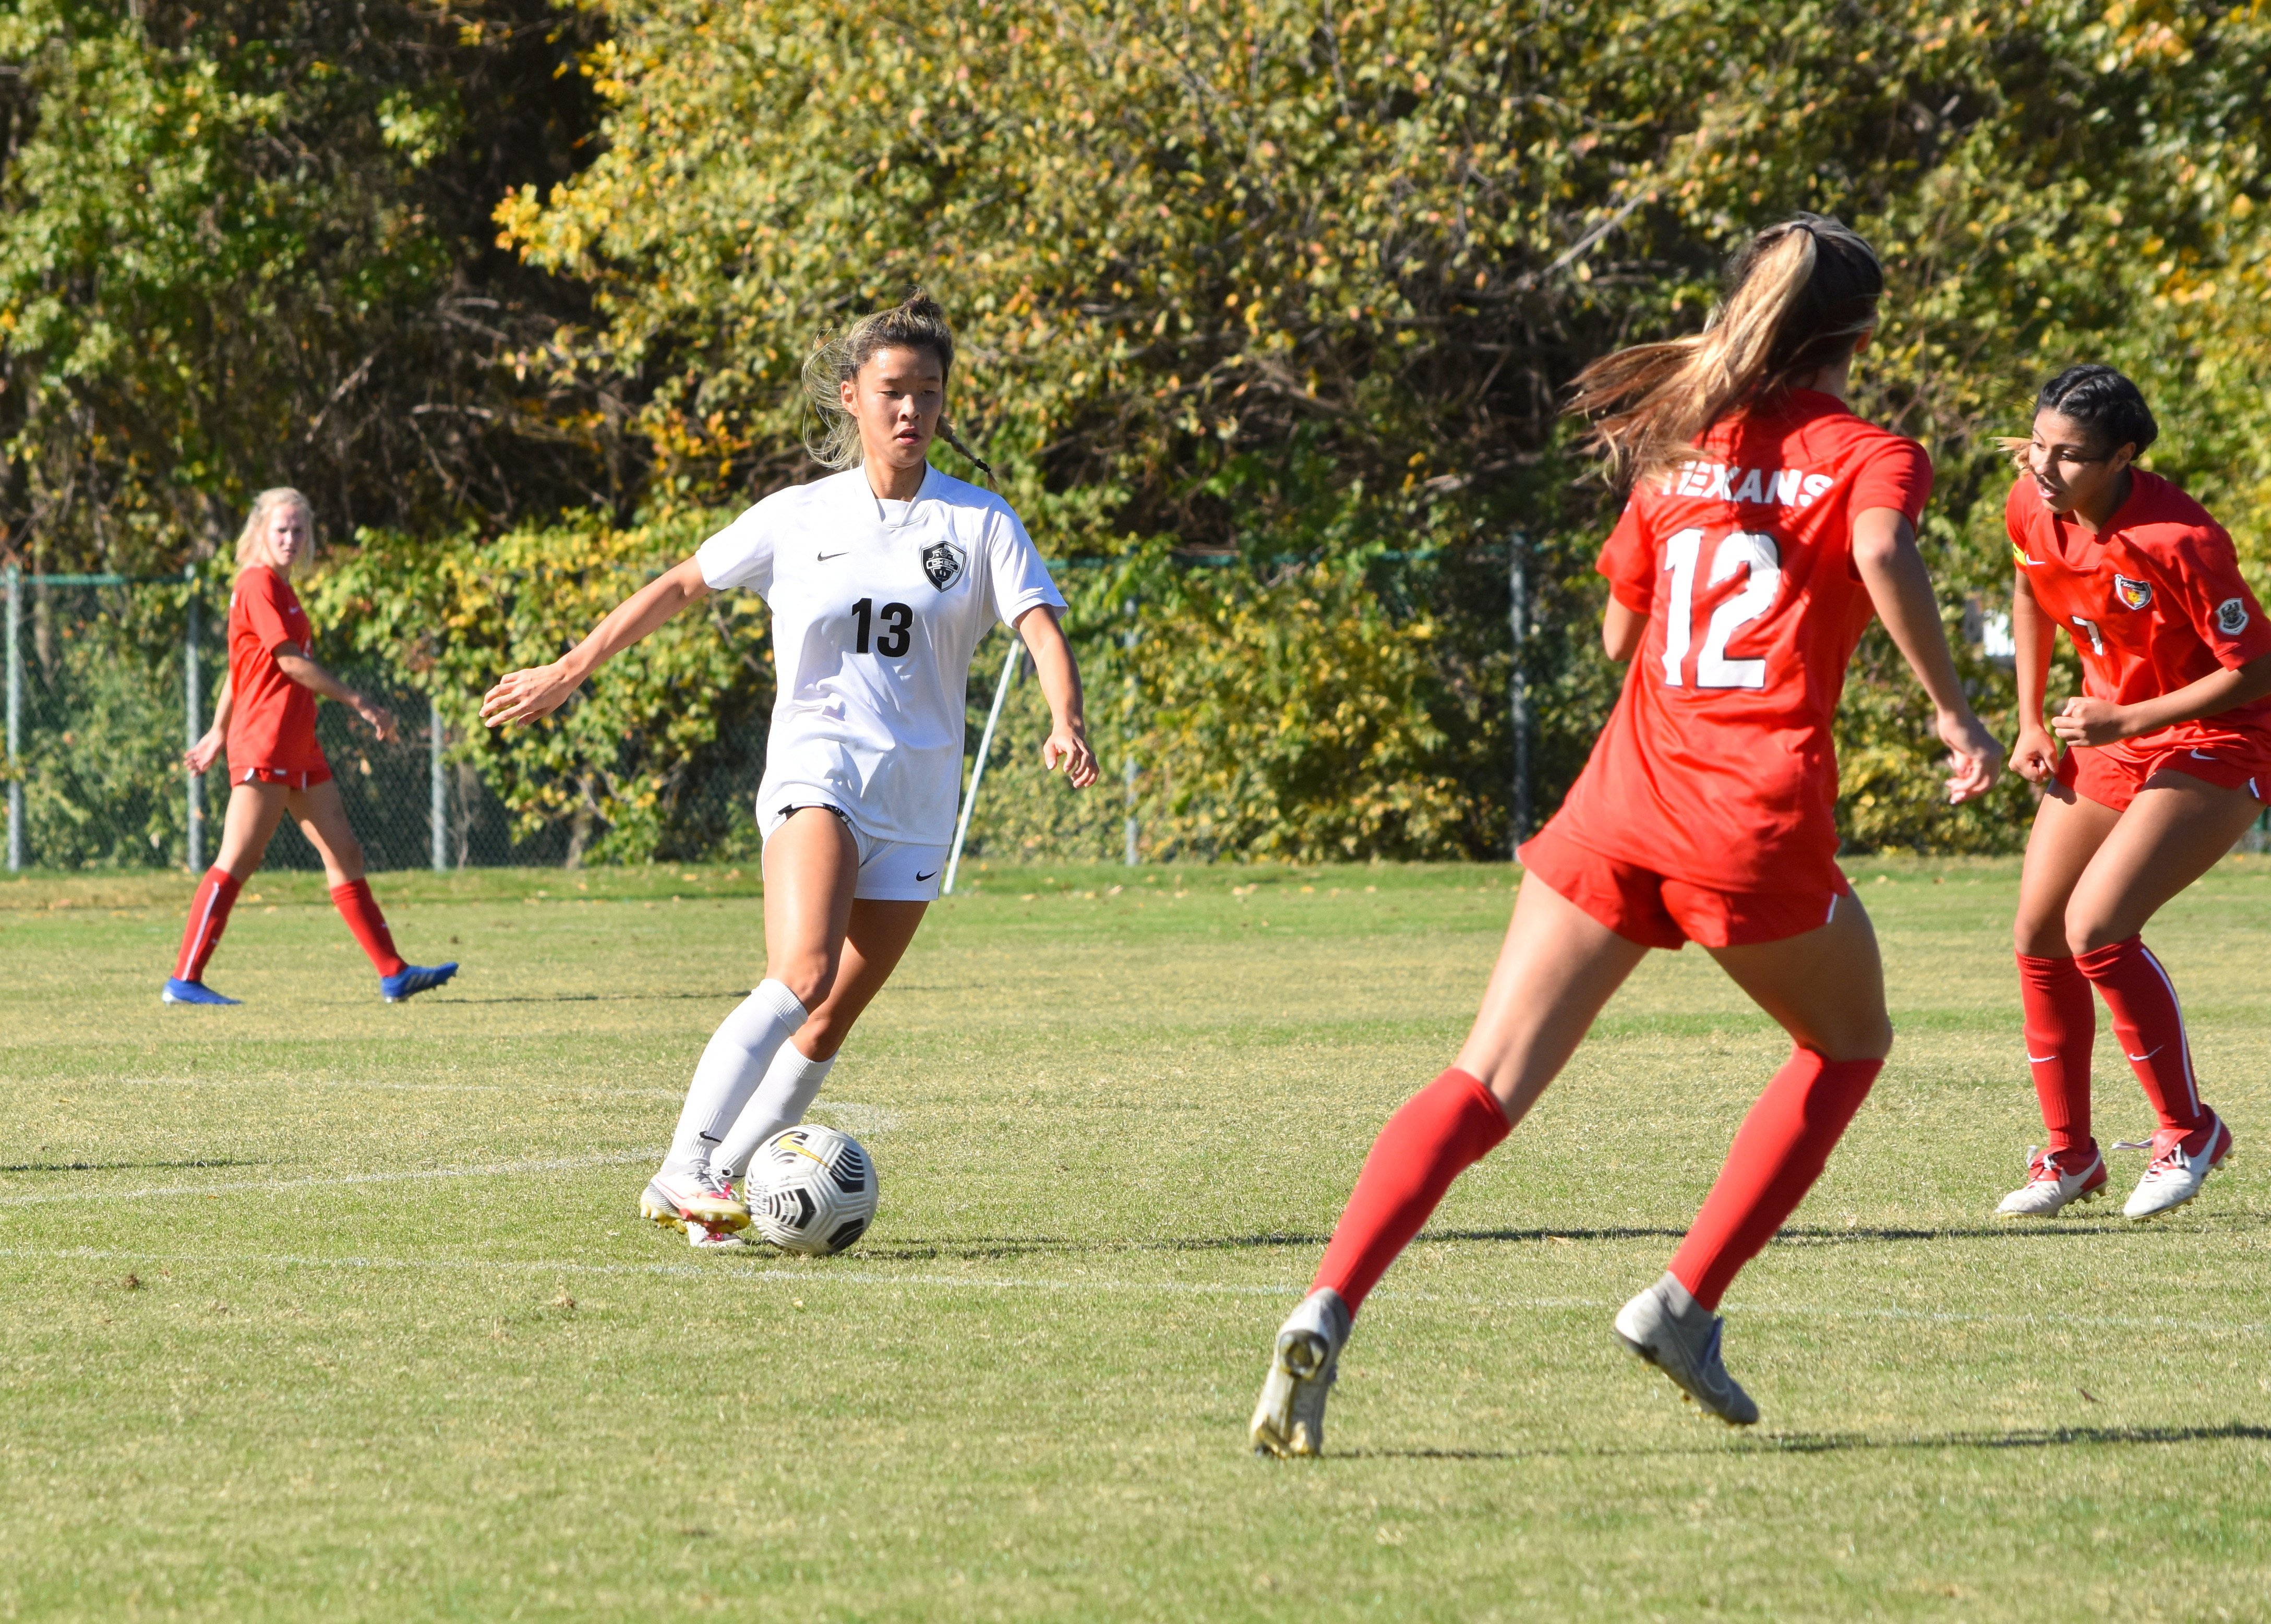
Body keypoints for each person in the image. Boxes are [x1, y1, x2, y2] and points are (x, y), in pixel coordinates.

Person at [1249, 215, 2003, 1455]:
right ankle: (1683, 1299)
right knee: (1846, 1040)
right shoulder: (1867, 453)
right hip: (1743, 819)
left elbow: (1615, 639)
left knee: (1480, 1077)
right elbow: (1874, 544)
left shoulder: (1676, 444)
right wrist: (1949, 710)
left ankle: (1328, 1294)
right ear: (1854, 341)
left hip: (1618, 802)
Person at [479, 293, 1098, 1248]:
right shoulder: (796, 514)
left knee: (828, 1018)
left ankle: (722, 1189)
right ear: (851, 397)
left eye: (928, 393)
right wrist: (571, 668)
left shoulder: (978, 521)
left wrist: (1065, 715)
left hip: (919, 803)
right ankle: (684, 1165)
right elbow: (683, 583)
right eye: (891, 390)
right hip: (820, 769)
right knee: (801, 970)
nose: (910, 411)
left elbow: (1038, 626)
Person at [1994, 365, 2267, 1223]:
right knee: (2037, 934)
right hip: (2114, 731)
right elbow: (2031, 591)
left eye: (2069, 455)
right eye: (2038, 443)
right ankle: (2068, 1154)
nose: (2044, 465)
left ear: (2121, 455)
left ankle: (2187, 1132)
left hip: (2216, 737)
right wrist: (2030, 719)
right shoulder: (2027, 503)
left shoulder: (2178, 538)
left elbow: (2254, 669)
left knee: (2096, 930)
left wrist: (2129, 716)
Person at [166, 489, 459, 1005]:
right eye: (281, 529)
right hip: (268, 737)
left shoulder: (281, 586)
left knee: (345, 851)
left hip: (298, 741)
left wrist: (215, 730)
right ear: (259, 530)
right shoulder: (257, 582)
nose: (289, 538)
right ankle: (184, 979)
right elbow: (286, 662)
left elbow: (241, 667)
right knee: (239, 856)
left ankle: (393, 972)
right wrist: (359, 700)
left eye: (299, 530)